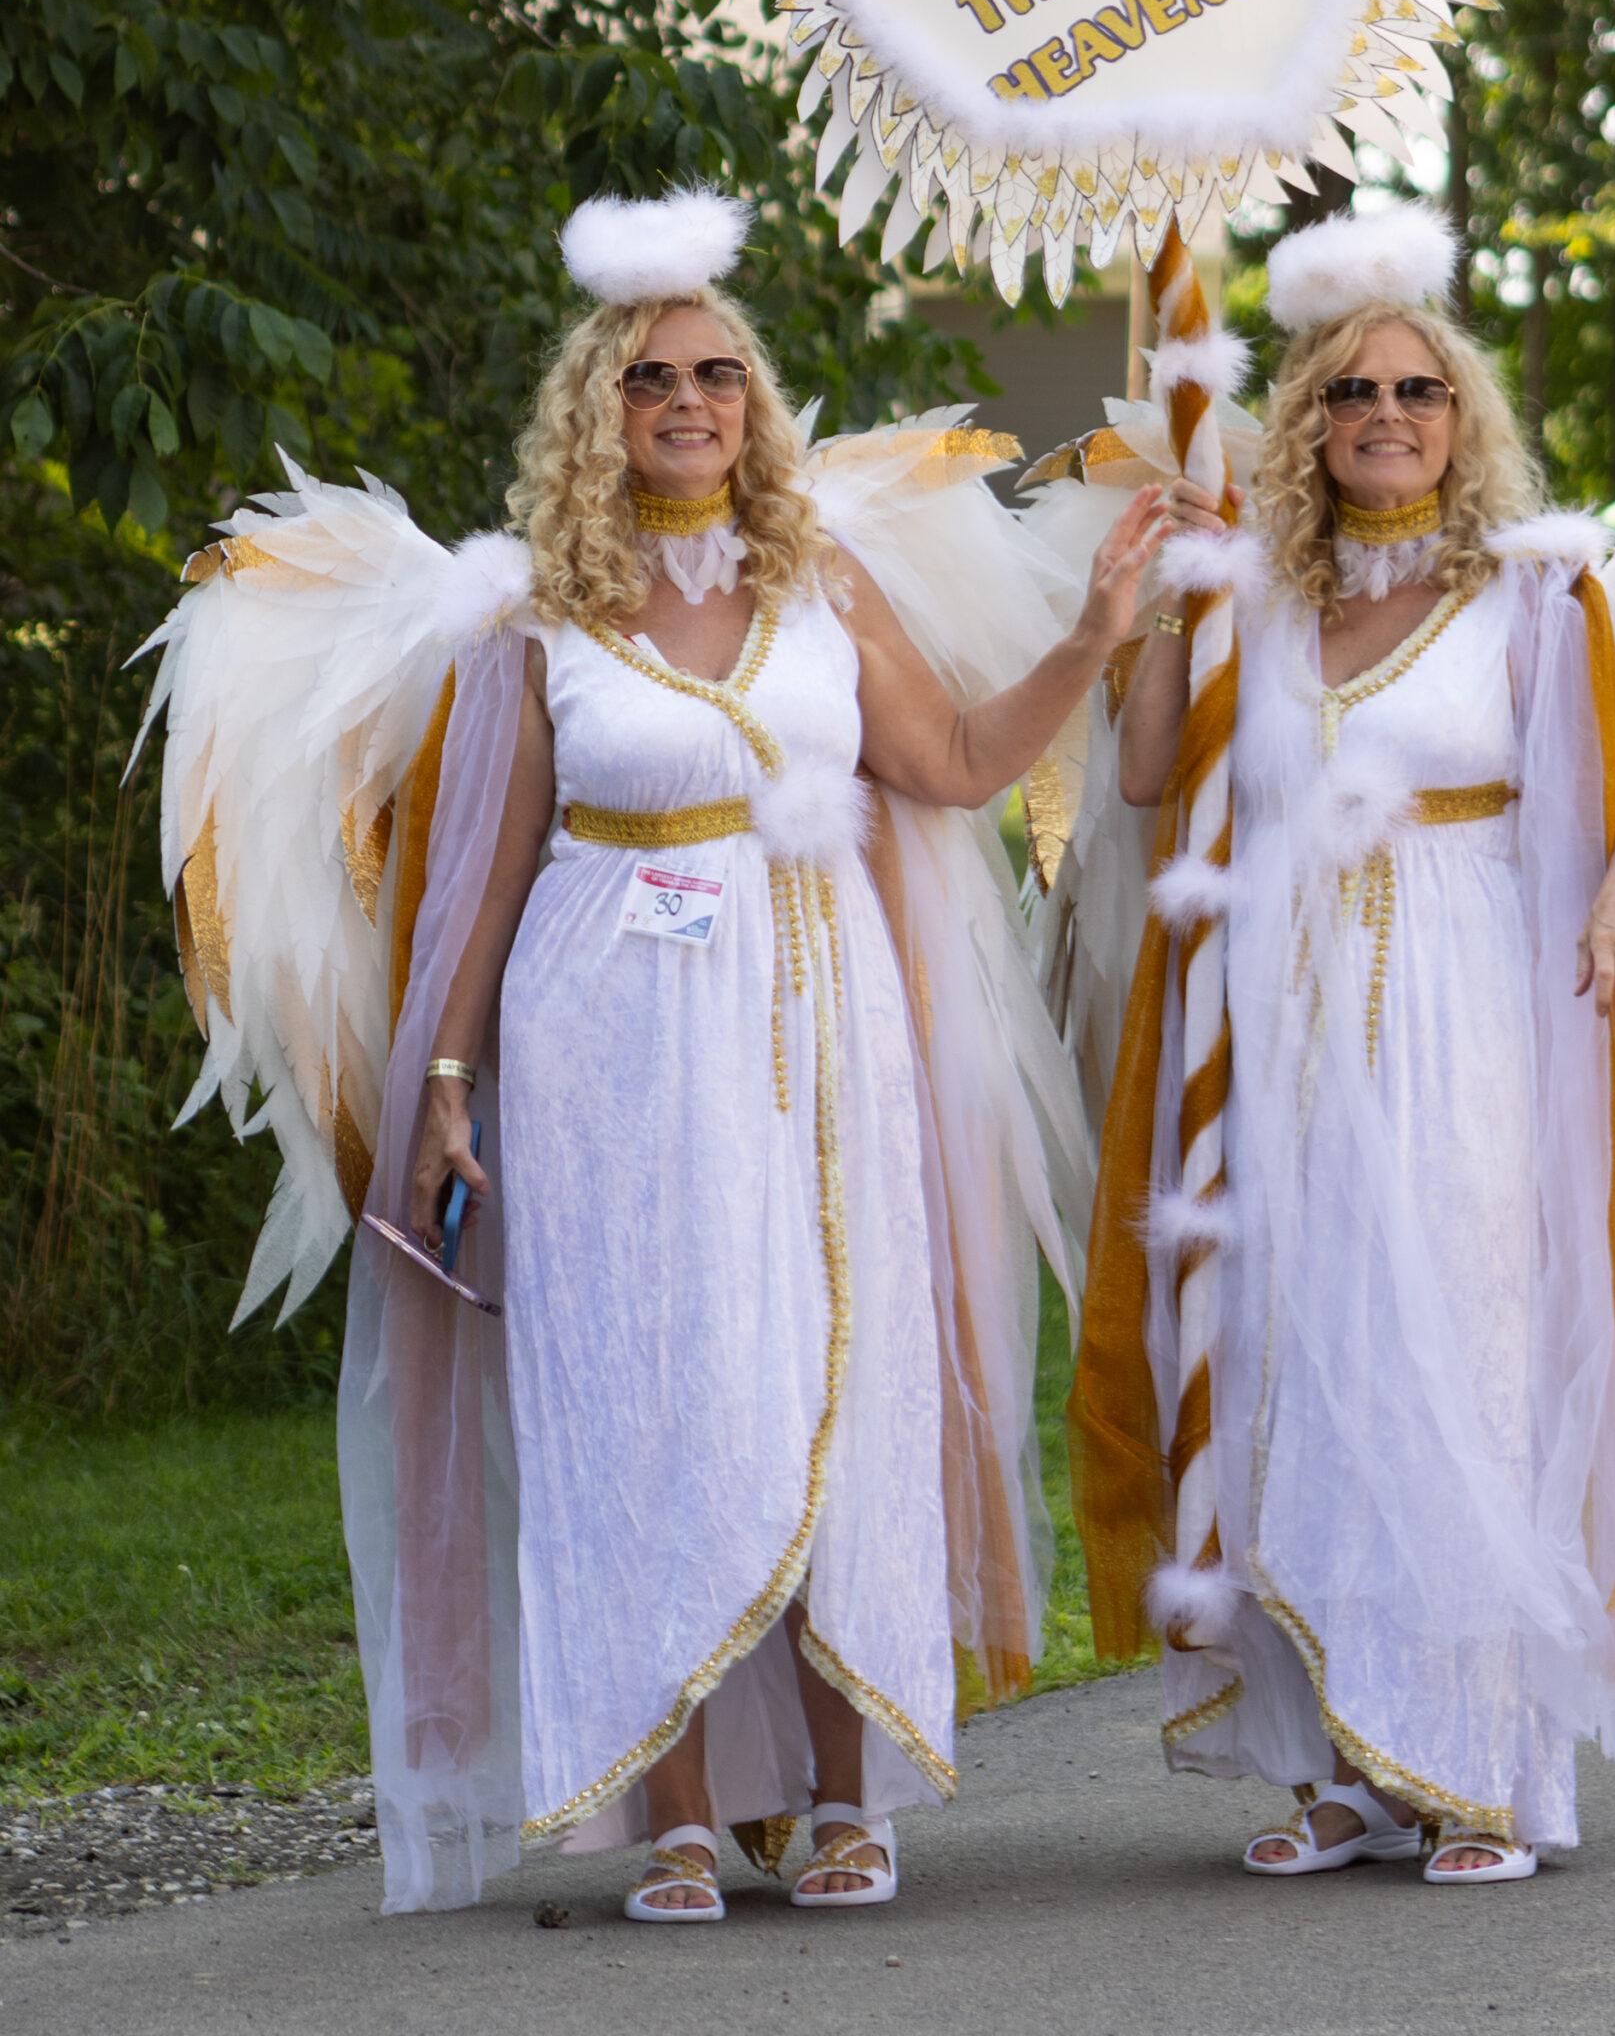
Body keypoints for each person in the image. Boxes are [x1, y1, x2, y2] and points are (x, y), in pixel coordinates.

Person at [139, 184, 1167, 1920]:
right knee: (645, 1403)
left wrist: (1088, 640)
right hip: (600, 1034)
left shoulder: (824, 581)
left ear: (752, 402)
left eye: (713, 373)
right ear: (593, 414)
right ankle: (677, 1811)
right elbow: (480, 879)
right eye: (647, 379)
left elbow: (957, 768)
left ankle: (846, 1799)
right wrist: (447, 1087)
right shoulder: (537, 616)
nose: (687, 401)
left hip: (814, 1024)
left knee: (832, 1383)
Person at [1039, 201, 1615, 1886]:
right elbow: (1140, 778)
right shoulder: (1247, 596)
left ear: (1459, 419)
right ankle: (1326, 1758)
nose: (1383, 418)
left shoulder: (1537, 596)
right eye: (1346, 396)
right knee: (1286, 1352)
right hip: (1277, 1028)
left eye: (1415, 393)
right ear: (1304, 428)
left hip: (1465, 1018)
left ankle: (1475, 1763)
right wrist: (1164, 603)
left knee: (1450, 1359)